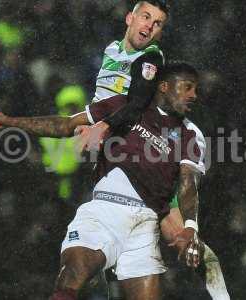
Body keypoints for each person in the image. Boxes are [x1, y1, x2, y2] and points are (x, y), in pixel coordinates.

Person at [0, 62, 205, 300]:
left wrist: (190, 227)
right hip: (105, 211)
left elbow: (188, 183)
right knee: (71, 278)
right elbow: (66, 124)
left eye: (196, 89)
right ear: (164, 86)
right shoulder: (123, 107)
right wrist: (8, 121)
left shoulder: (191, 135)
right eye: (187, 87)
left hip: (146, 225)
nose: (193, 95)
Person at [76, 0, 230, 298]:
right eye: (146, 17)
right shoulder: (111, 51)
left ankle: (221, 295)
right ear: (129, 18)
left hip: (143, 163)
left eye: (157, 23)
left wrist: (103, 126)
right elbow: (105, 98)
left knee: (188, 244)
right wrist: (92, 121)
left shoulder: (151, 58)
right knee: (108, 261)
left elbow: (135, 104)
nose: (149, 26)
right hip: (115, 164)